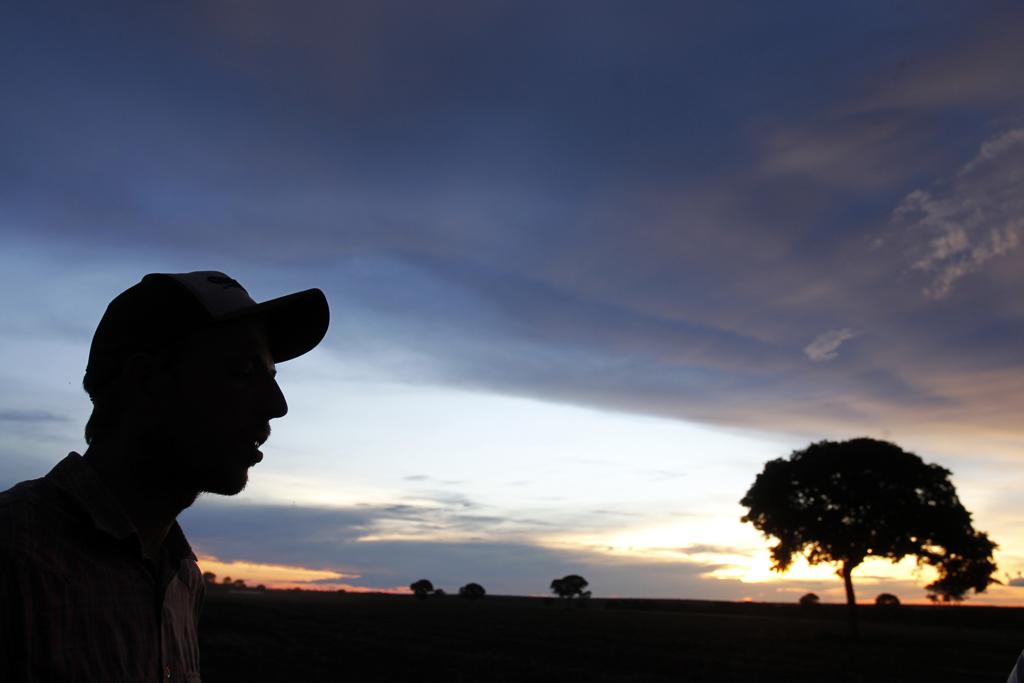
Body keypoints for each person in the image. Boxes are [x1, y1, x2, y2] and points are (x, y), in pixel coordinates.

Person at [0, 271, 329, 681]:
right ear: (146, 381)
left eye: (272, 377)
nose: (277, 405)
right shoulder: (14, 552)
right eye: (243, 371)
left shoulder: (183, 580)